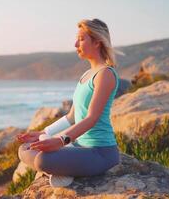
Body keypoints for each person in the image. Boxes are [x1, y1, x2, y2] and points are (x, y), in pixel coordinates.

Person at [17, 18, 120, 187]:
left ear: (97, 42)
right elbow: (72, 116)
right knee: (25, 149)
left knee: (42, 161)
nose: (75, 44)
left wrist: (60, 141)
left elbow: (91, 118)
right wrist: (44, 131)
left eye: (81, 39)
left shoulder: (105, 74)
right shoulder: (86, 75)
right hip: (77, 146)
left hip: (100, 152)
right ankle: (65, 167)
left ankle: (62, 167)